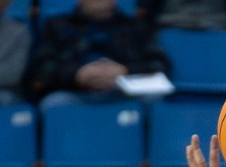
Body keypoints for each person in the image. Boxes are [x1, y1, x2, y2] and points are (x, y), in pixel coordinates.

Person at [23, 0, 168, 106]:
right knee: (53, 103)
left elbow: (159, 65)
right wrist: (77, 74)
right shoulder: (56, 27)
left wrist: (125, 71)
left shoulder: (135, 27)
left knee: (154, 98)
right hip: (75, 93)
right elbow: (41, 70)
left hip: (123, 93)